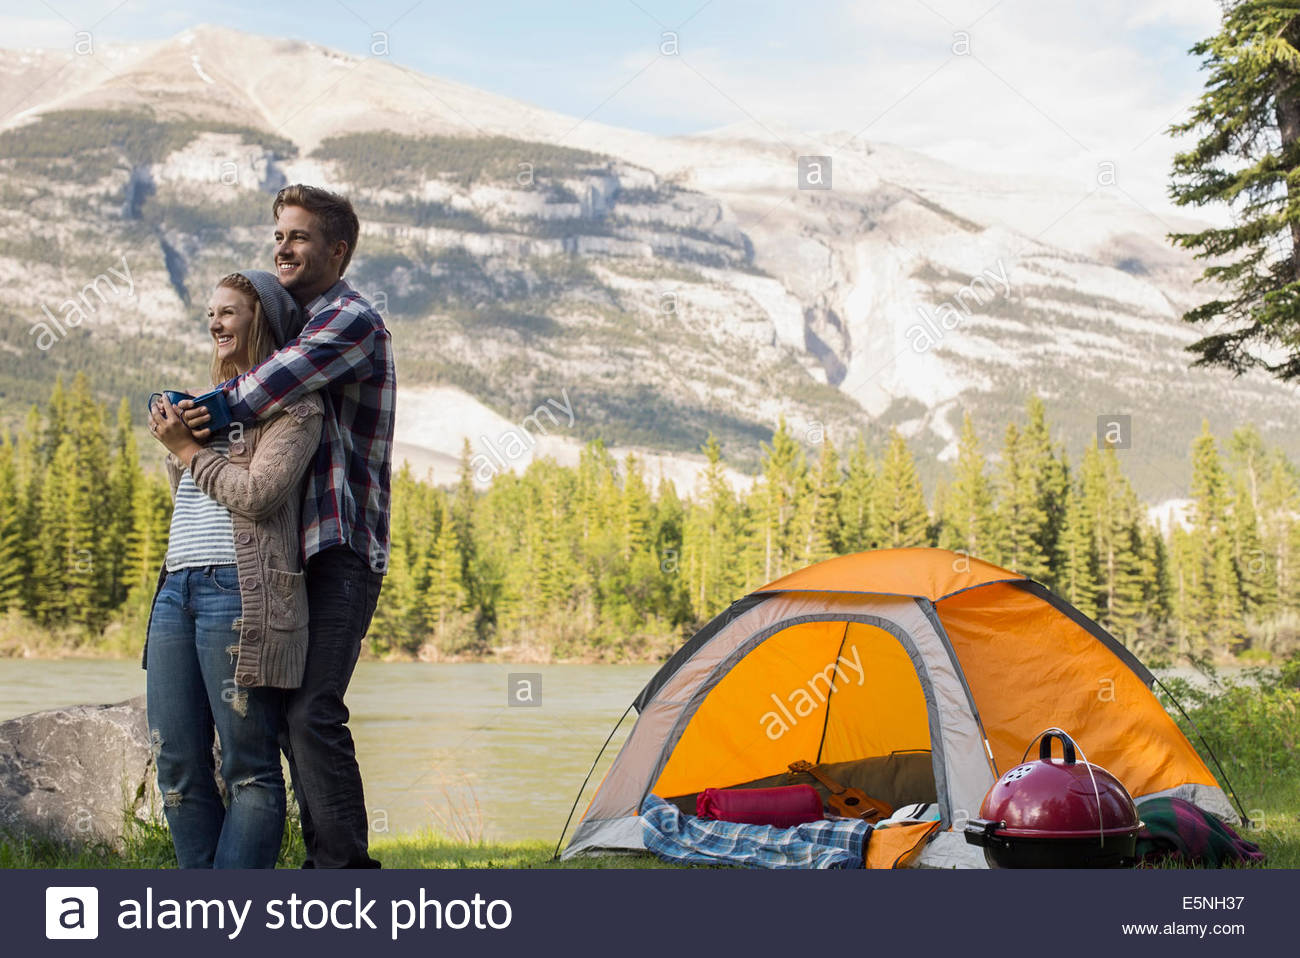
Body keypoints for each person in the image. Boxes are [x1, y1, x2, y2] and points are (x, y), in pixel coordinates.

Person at [181, 184, 395, 869]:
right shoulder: (295, 323)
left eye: (298, 237)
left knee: (311, 713)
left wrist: (191, 418)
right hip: (290, 556)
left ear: (338, 250)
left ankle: (343, 874)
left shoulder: (350, 320)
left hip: (340, 549)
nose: (282, 247)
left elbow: (263, 390)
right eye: (278, 235)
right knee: (277, 720)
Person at [144, 270, 324, 868]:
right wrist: (184, 444)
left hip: (240, 593)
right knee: (177, 761)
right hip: (175, 588)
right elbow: (191, 497)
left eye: (229, 312)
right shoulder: (205, 407)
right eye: (210, 315)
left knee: (248, 768)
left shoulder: (294, 406)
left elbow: (257, 496)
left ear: (262, 320)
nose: (215, 324)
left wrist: (188, 451)